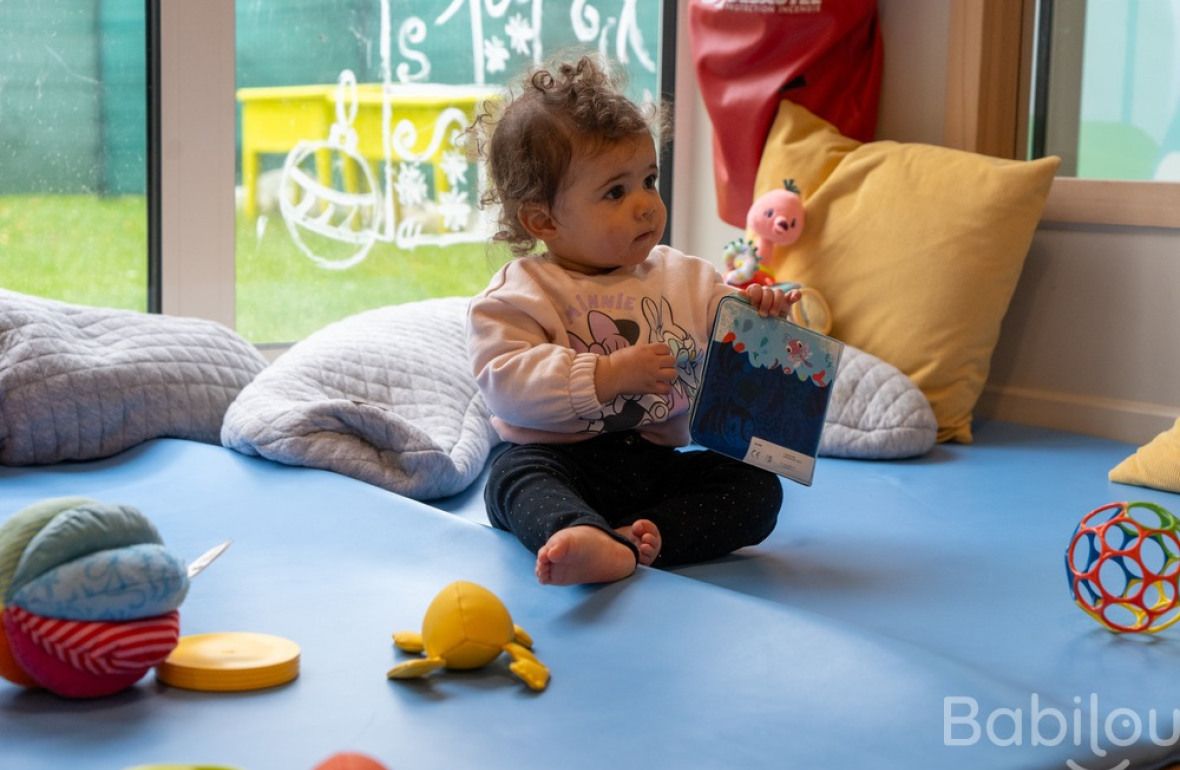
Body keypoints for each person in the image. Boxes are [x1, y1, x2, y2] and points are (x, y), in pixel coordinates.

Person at [467, 55, 800, 586]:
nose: (646, 204)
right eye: (616, 192)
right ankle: (581, 534)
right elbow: (505, 383)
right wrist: (605, 377)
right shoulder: (524, 292)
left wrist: (761, 316)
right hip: (558, 459)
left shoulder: (684, 276)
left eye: (649, 179)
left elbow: (730, 338)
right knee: (511, 482)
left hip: (655, 463)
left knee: (758, 489)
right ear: (544, 219)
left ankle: (648, 538)